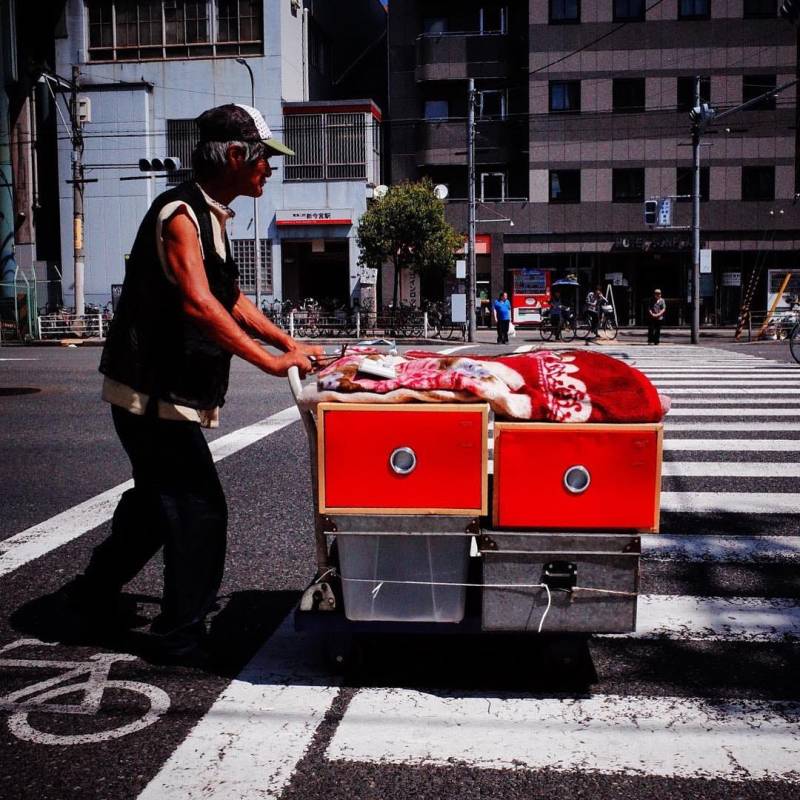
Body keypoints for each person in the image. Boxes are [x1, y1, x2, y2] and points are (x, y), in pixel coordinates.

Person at [63, 104, 322, 663]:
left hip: (157, 393)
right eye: (264, 160)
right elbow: (199, 304)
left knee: (157, 506)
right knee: (197, 507)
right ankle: (177, 635)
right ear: (234, 156)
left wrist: (287, 345)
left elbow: (229, 297)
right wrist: (269, 362)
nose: (269, 171)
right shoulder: (181, 213)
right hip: (149, 393)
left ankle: (88, 597)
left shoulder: (212, 214)